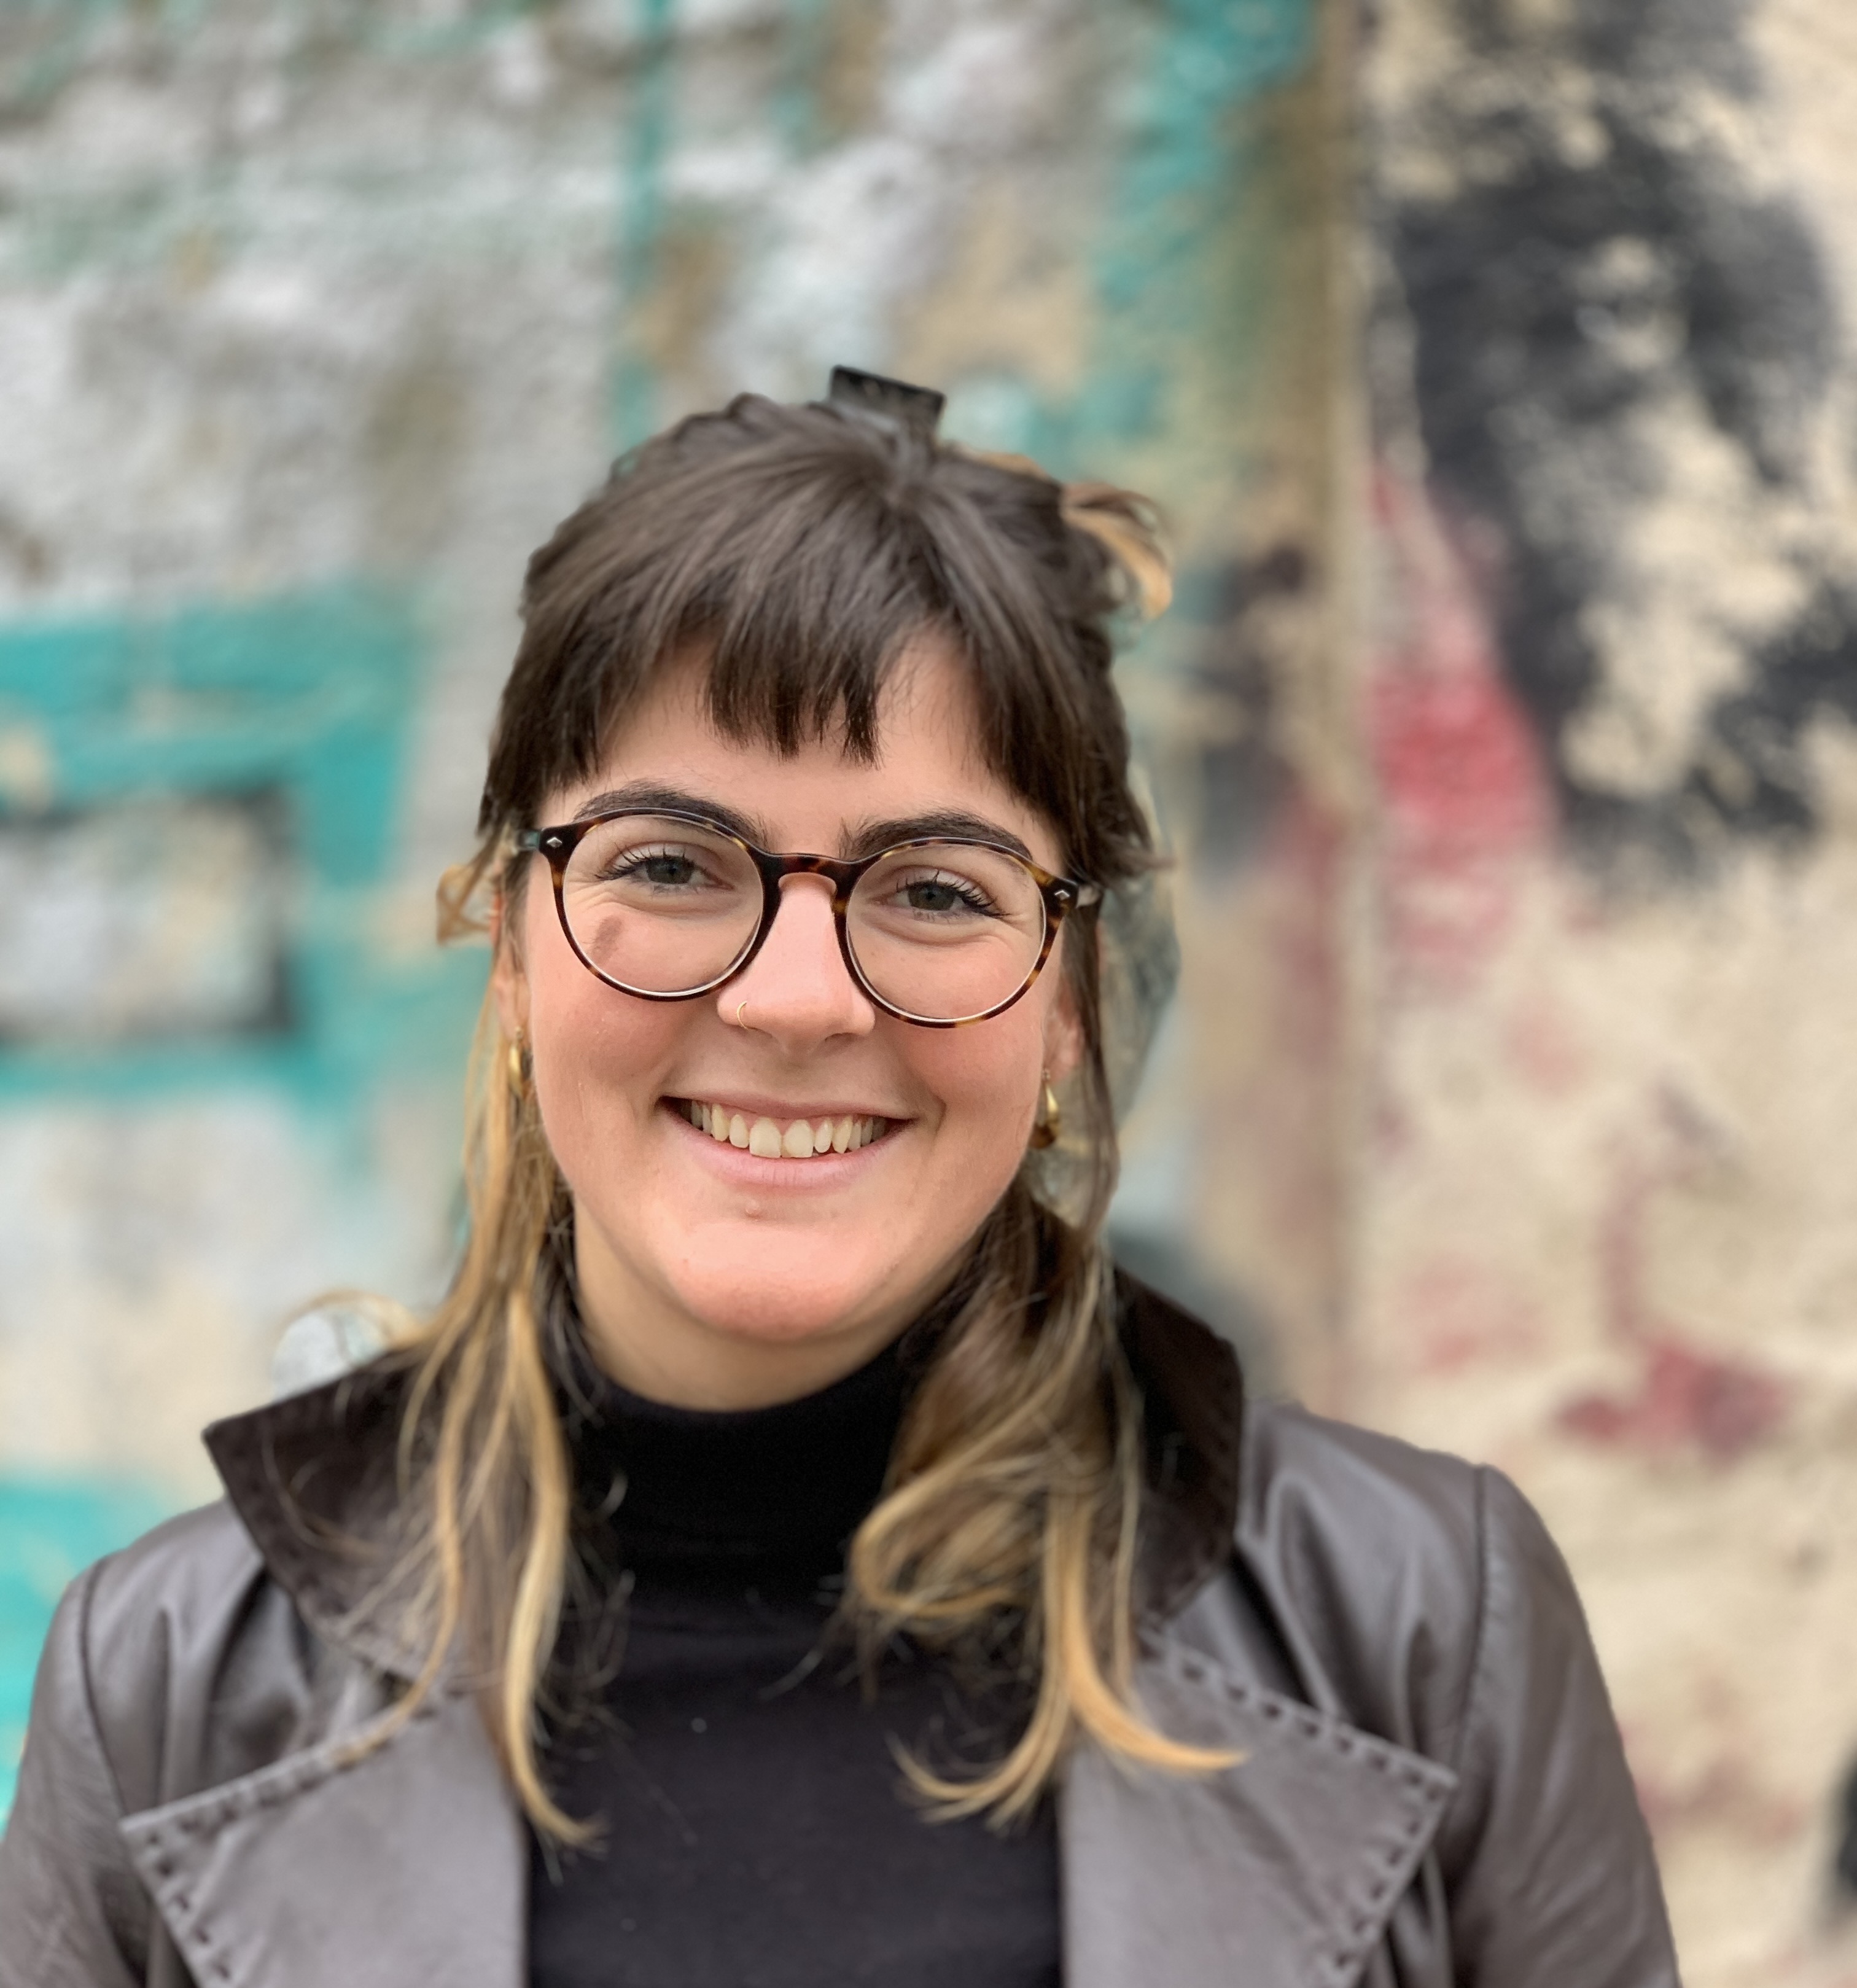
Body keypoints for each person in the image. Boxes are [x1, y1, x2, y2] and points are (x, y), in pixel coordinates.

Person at [0, 372, 1680, 1987]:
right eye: (673, 864)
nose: (796, 1000)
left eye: (936, 890)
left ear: (1071, 1004)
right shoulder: (162, 1691)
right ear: (511, 946)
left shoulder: (1424, 1628)